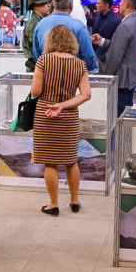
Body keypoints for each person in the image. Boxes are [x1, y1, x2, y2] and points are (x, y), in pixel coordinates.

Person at [30, 25, 91, 216]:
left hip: (46, 114)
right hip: (69, 116)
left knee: (50, 162)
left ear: (51, 40)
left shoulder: (43, 61)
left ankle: (53, 204)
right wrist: (63, 105)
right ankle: (74, 201)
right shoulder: (80, 64)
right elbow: (86, 94)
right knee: (71, 161)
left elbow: (35, 92)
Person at [92, 0, 136, 115]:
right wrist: (102, 42)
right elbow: (125, 47)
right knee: (126, 112)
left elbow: (115, 56)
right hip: (131, 77)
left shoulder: (125, 25)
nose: (119, 4)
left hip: (122, 79)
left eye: (121, 1)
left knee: (119, 115)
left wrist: (107, 76)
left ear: (126, 4)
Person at [33, 0, 97, 71]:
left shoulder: (40, 25)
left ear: (53, 3)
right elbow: (88, 56)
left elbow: (36, 54)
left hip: (47, 75)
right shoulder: (79, 27)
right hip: (73, 77)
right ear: (71, 5)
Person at [91, 0, 122, 69]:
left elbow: (116, 42)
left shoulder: (116, 20)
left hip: (106, 58)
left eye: (98, 3)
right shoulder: (98, 16)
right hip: (95, 55)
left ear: (106, 6)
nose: (96, 5)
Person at [23, 0, 52, 72]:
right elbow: (36, 46)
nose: (49, 6)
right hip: (36, 65)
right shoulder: (33, 23)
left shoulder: (40, 21)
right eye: (45, 4)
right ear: (36, 6)